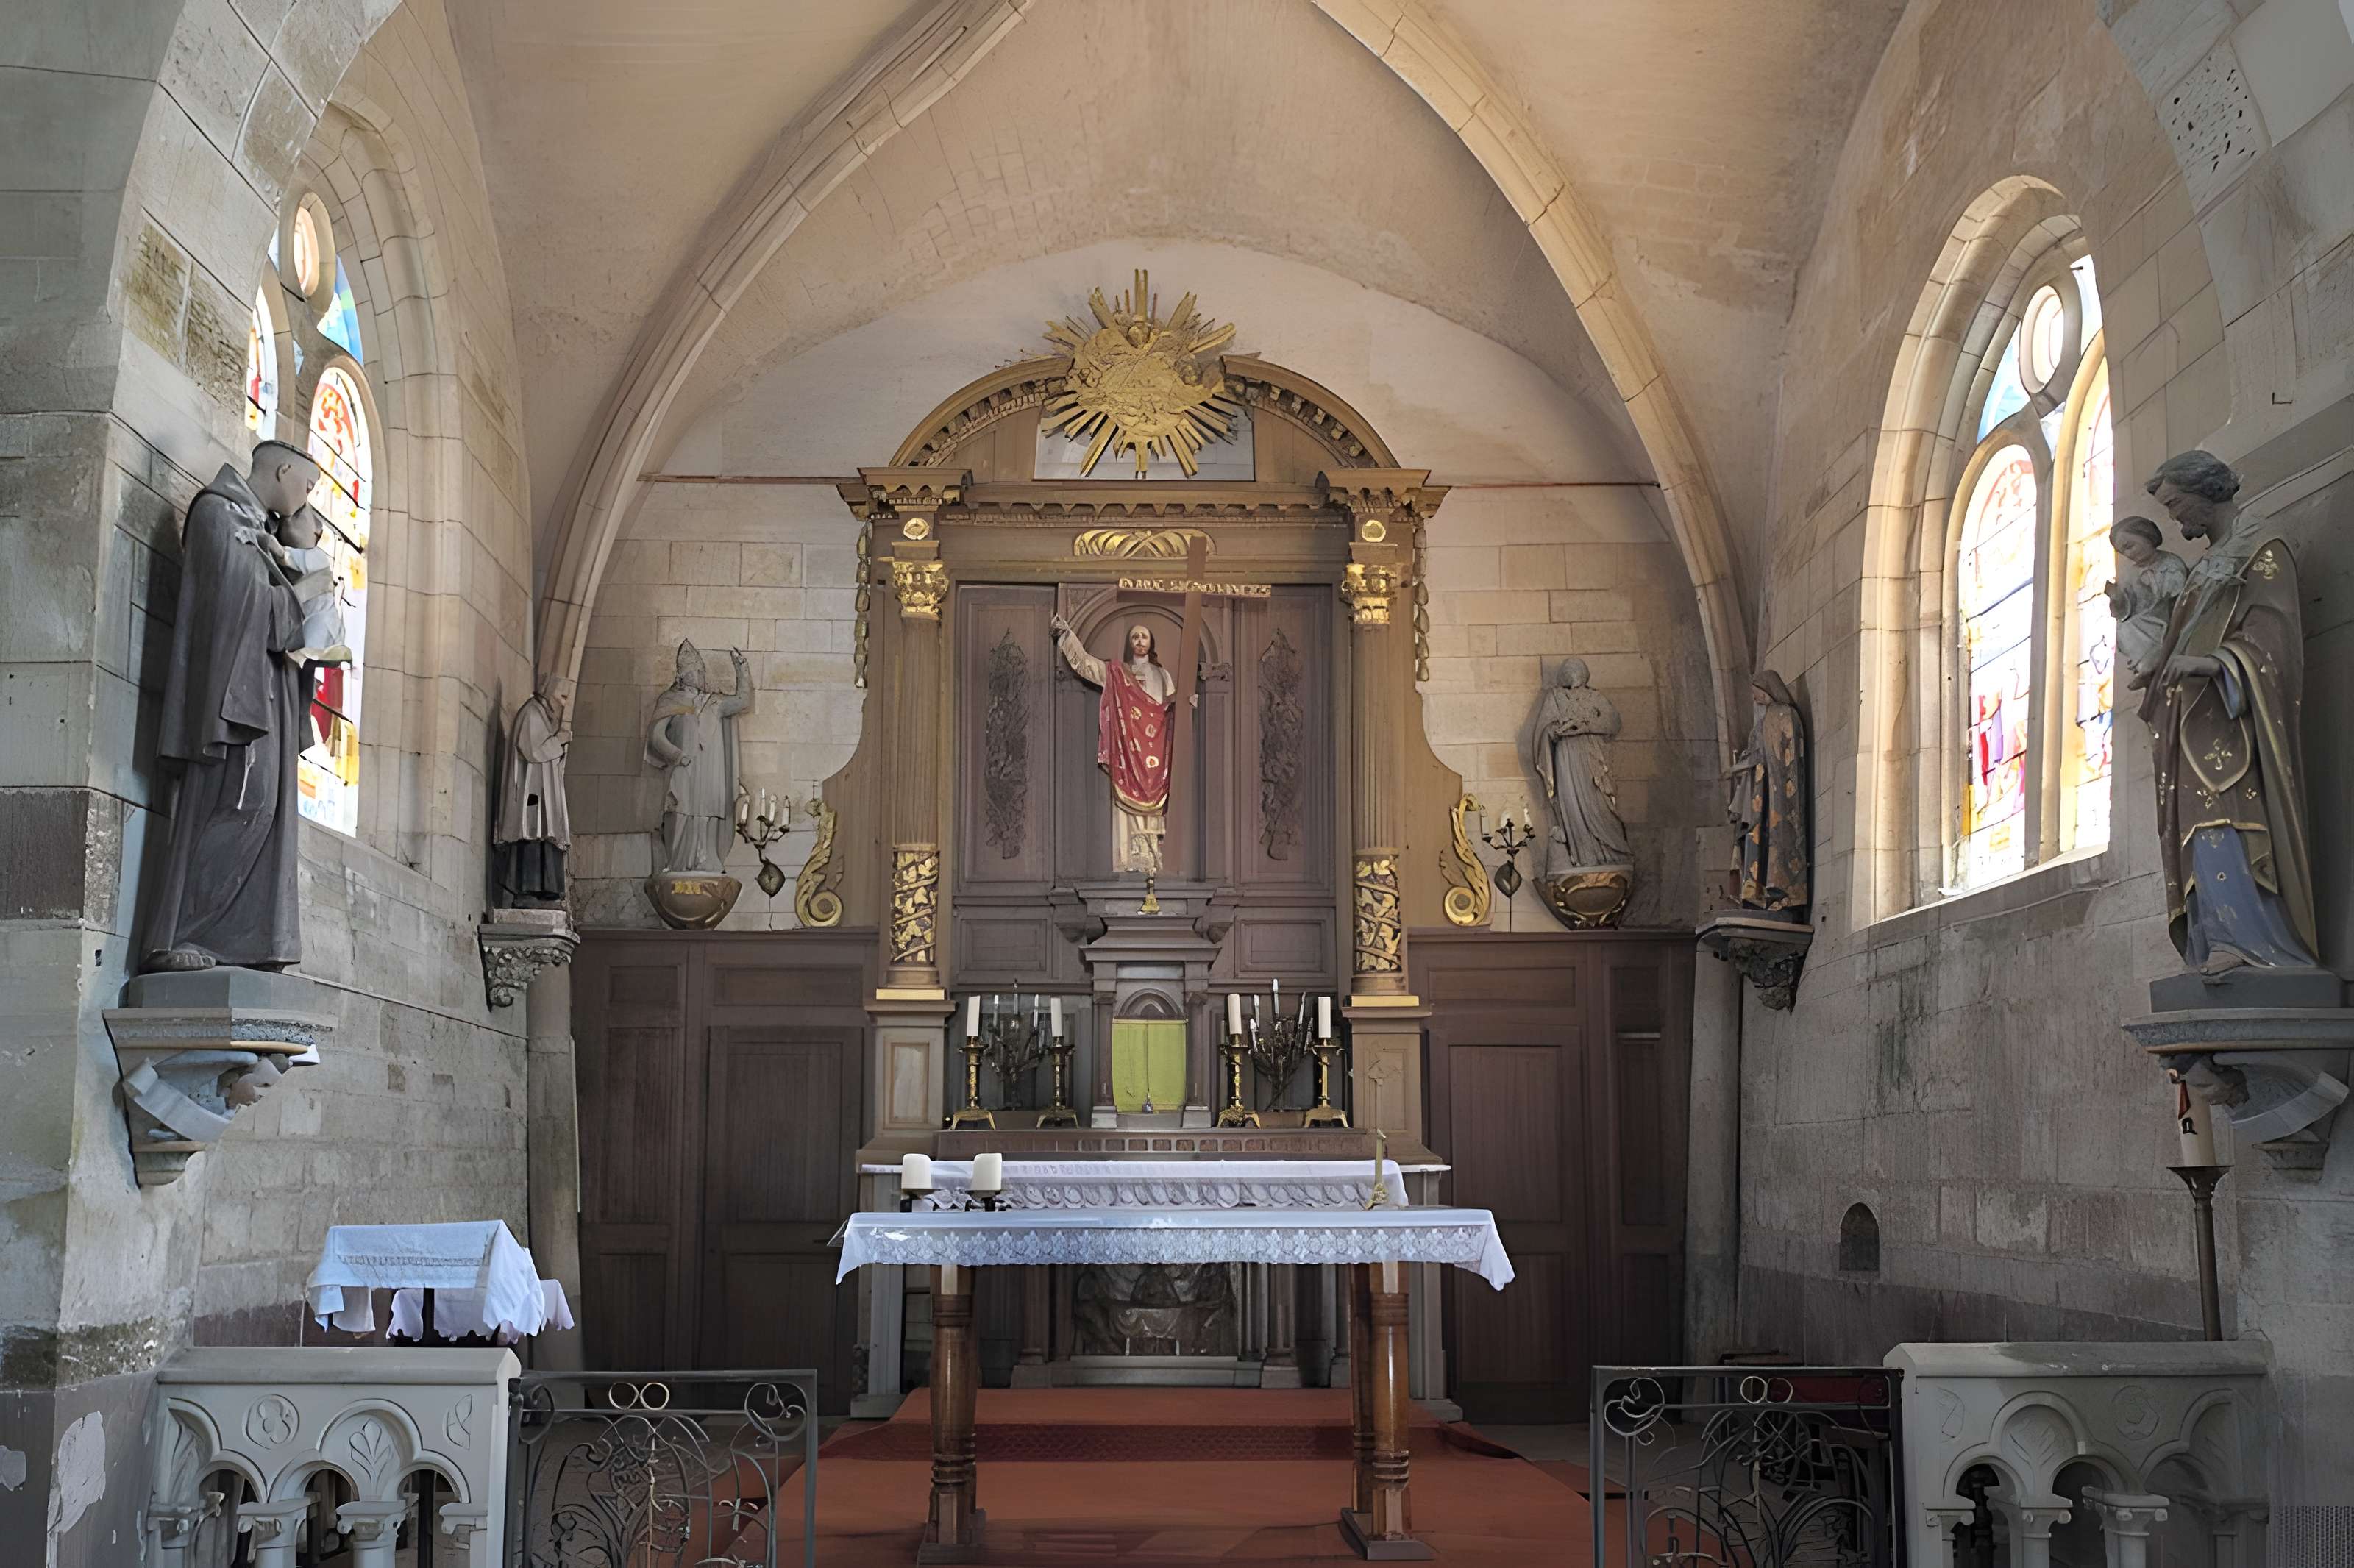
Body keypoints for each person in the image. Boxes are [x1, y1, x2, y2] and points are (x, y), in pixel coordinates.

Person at [146, 441, 344, 972]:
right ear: (283, 471)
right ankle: (177, 936)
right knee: (232, 802)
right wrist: (309, 589)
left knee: (263, 808)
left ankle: (237, 943)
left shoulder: (260, 529)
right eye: (307, 485)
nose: (307, 499)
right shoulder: (219, 514)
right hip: (231, 698)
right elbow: (241, 605)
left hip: (266, 694)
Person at [2140, 450, 2316, 975]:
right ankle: (2213, 935)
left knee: (2227, 821)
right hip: (2190, 720)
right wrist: (2158, 667)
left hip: (2232, 718)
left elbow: (2274, 642)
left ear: (2207, 492)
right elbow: (2183, 636)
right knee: (2197, 829)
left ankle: (2248, 940)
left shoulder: (2260, 549)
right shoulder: (2204, 566)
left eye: (2177, 504)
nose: (2174, 518)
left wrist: (2211, 664)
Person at [1052, 615, 1195, 876]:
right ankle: (1130, 858)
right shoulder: (1117, 673)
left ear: (1151, 643)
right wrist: (1067, 636)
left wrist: (1187, 703)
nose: (1140, 641)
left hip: (1155, 749)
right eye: (1135, 637)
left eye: (1144, 637)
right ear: (1129, 643)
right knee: (1124, 802)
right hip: (1127, 747)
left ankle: (1154, 858)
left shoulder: (1162, 675)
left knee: (1157, 803)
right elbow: (1087, 665)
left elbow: (1172, 706)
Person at [645, 641, 753, 875]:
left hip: (711, 769)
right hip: (685, 768)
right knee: (680, 809)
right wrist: (677, 755)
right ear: (681, 675)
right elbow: (656, 736)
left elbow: (742, 701)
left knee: (709, 811)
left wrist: (742, 669)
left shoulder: (714, 702)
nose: (699, 676)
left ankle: (707, 860)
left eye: (700, 671)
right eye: (693, 672)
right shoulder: (671, 699)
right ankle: (678, 862)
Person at [1526, 657, 1632, 872]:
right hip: (1566, 756)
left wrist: (1585, 726)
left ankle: (1610, 851)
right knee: (1571, 802)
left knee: (1598, 801)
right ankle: (1584, 854)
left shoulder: (1595, 697)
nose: (1574, 675)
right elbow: (1542, 729)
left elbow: (1613, 723)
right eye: (1570, 671)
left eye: (1577, 671)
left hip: (1590, 754)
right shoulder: (1555, 697)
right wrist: (1556, 731)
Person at [1727, 671, 1809, 918]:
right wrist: (1737, 768)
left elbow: (1790, 754)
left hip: (1780, 791)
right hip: (1763, 791)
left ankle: (1785, 894)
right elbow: (1755, 754)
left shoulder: (1786, 714)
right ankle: (1761, 894)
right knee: (1758, 837)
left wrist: (1775, 777)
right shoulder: (1763, 722)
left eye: (1756, 691)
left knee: (1780, 837)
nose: (1755, 697)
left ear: (1767, 689)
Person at [495, 680, 573, 904]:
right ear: (549, 692)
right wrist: (559, 740)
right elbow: (533, 751)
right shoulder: (531, 713)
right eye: (562, 696)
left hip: (542, 794)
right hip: (532, 795)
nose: (563, 703)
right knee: (531, 834)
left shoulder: (543, 715)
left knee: (543, 835)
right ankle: (526, 891)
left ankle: (543, 891)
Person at [2104, 515, 2188, 691]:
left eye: (2130, 546)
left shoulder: (2169, 563)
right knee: (2126, 627)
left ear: (2147, 536)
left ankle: (2150, 664)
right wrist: (2117, 598)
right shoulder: (2131, 573)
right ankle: (2144, 665)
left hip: (2166, 614)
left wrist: (2159, 603)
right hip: (2147, 617)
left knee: (2137, 624)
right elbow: (2126, 608)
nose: (2129, 554)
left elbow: (2177, 595)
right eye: (2123, 552)